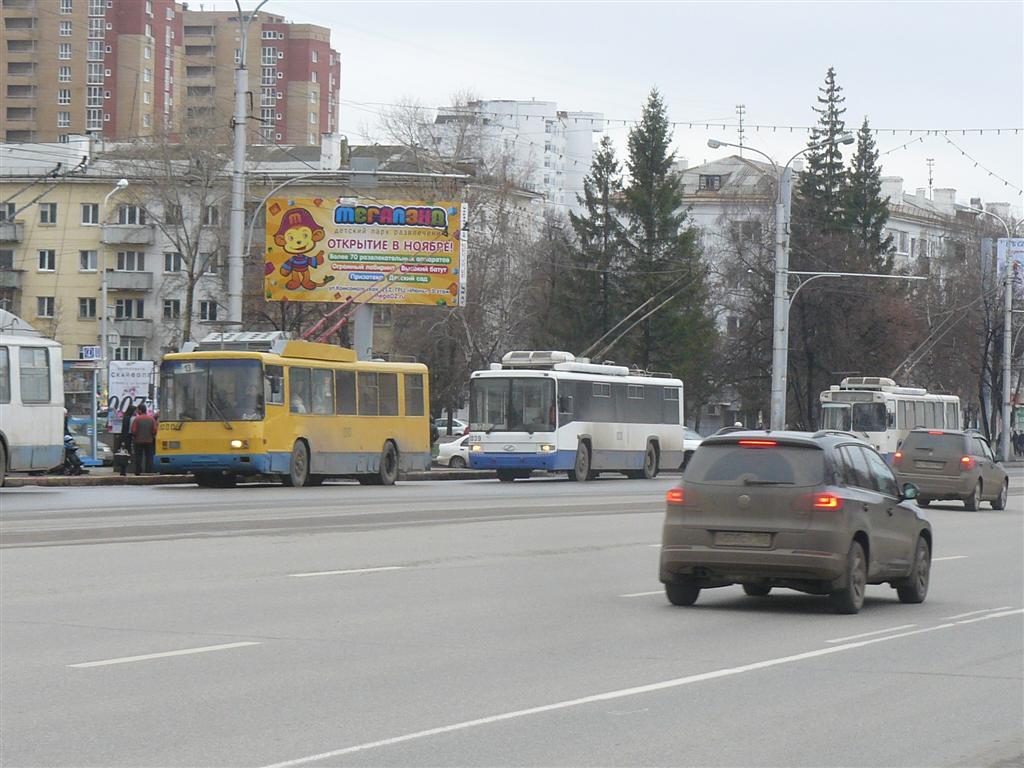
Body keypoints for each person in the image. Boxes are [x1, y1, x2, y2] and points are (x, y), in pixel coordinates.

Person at [130, 403, 158, 475]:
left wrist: (134, 436)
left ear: (140, 410)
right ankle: (149, 471)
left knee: (138, 457)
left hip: (138, 441)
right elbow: (154, 430)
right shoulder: (151, 419)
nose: (137, 411)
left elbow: (133, 430)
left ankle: (138, 471)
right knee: (149, 457)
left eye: (137, 410)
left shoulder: (137, 419)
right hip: (149, 441)